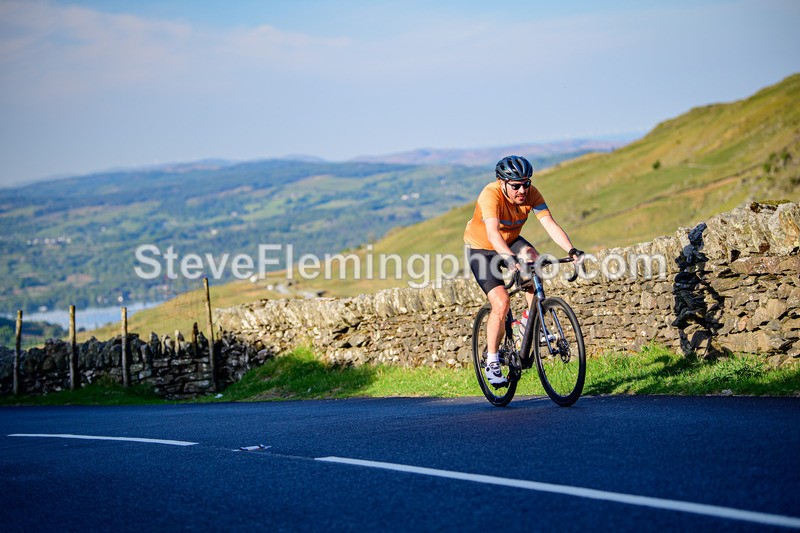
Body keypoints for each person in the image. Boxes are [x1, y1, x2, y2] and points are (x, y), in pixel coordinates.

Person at [463, 155, 583, 387]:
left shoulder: (532, 193)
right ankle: (492, 360)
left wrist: (571, 249)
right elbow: (493, 234)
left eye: (526, 183)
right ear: (502, 183)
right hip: (482, 248)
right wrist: (509, 260)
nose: (522, 190)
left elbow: (549, 223)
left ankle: (530, 322)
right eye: (516, 185)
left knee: (533, 259)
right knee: (501, 302)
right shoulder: (490, 194)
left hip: (512, 240)